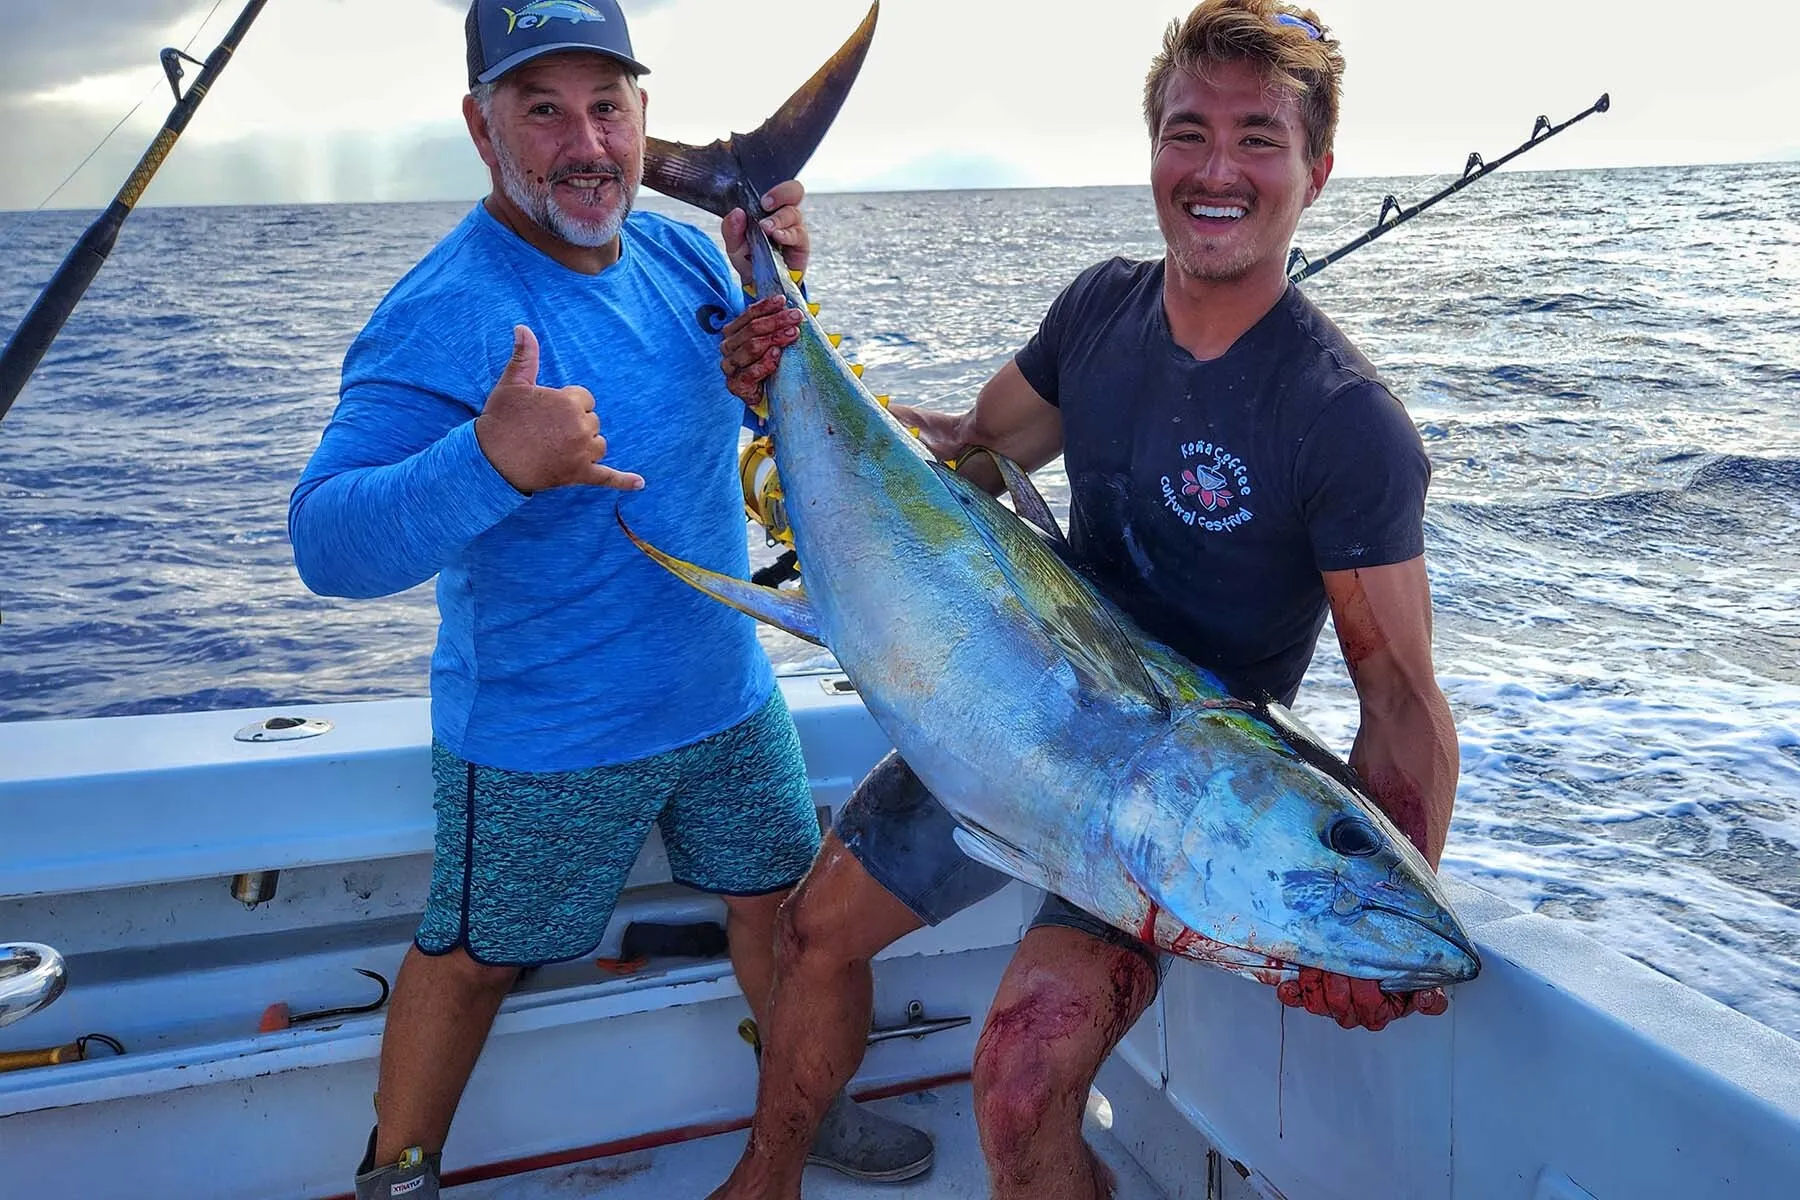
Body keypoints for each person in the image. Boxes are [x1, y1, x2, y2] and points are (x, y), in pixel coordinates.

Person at [708, 1, 1460, 1197]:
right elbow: (960, 453)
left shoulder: (1343, 421)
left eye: (1259, 138)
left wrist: (1365, 927)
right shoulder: (1101, 308)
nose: (1217, 170)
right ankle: (768, 1178)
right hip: (1008, 705)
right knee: (809, 935)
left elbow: (1404, 705)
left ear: (1318, 171)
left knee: (1015, 1084)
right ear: (1151, 146)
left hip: (1167, 809)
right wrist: (789, 359)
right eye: (1187, 131)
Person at [288, 3, 930, 1197]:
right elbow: (325, 542)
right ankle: (396, 1176)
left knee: (780, 916)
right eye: (542, 109)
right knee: (475, 959)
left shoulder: (688, 256)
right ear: (483, 131)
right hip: (542, 739)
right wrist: (488, 459)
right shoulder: (440, 312)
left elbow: (762, 418)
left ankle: (808, 1106)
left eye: (607, 105)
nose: (585, 142)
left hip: (726, 697)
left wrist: (778, 328)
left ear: (644, 117)